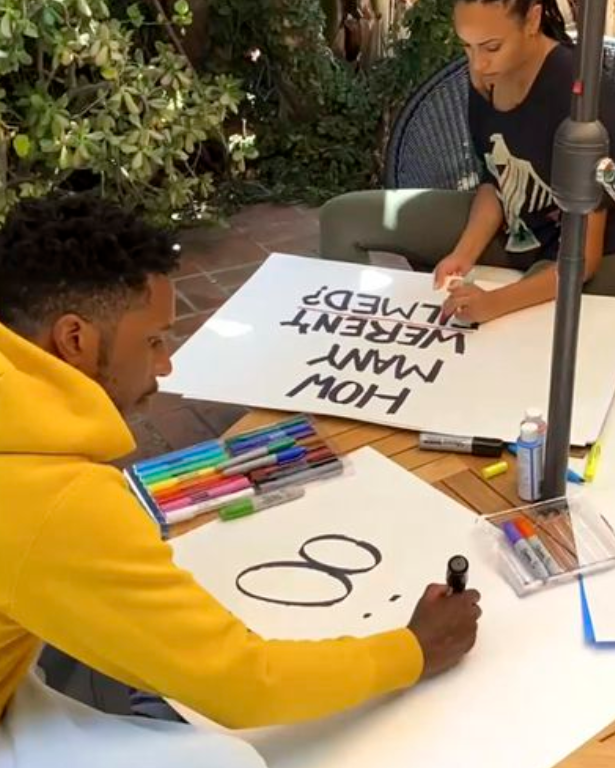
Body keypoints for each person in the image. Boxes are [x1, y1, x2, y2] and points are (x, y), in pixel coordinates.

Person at [0, 193, 481, 767]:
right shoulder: (55, 500)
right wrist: (415, 649)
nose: (166, 365)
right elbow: (246, 686)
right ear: (75, 339)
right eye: (153, 340)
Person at [319, 0, 615, 324]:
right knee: (342, 218)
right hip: (514, 227)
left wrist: (495, 303)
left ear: (532, 19)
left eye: (491, 47)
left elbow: (583, 259)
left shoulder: (581, 97)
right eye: (467, 46)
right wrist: (463, 254)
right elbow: (494, 182)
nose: (478, 64)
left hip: (579, 256)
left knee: (516, 328)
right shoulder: (486, 75)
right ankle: (345, 336)